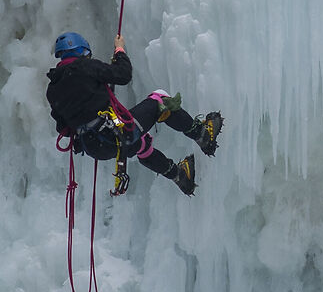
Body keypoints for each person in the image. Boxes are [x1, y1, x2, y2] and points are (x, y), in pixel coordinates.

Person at [46, 33, 222, 197]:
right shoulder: (85, 66)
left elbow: (64, 128)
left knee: (141, 143)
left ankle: (180, 176)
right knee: (160, 99)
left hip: (95, 147)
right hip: (116, 134)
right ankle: (203, 135)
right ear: (83, 51)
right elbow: (123, 75)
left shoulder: (52, 89)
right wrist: (120, 50)